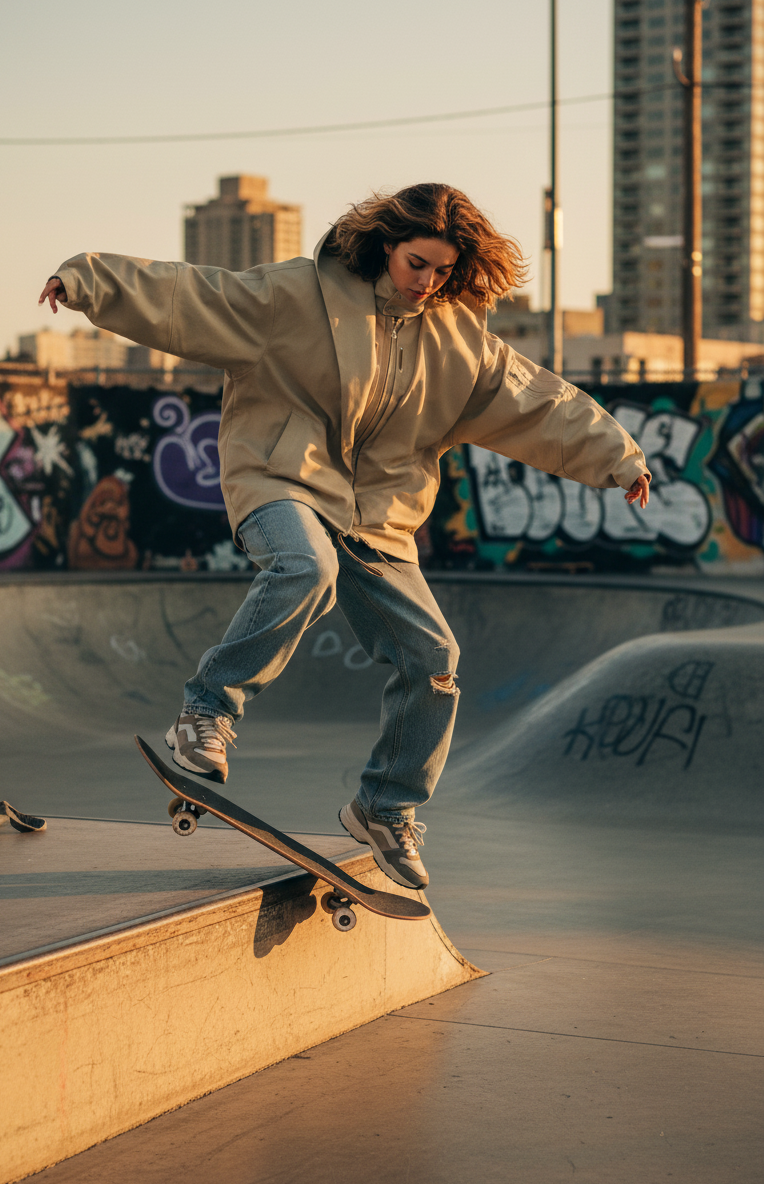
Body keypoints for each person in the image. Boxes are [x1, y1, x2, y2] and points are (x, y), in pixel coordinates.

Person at [39, 182, 650, 891]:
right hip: (281, 480)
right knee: (307, 567)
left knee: (435, 658)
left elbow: (538, 403)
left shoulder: (460, 344)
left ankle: (385, 807)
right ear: (386, 246)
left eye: (443, 271)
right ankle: (205, 712)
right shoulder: (296, 296)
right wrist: (88, 281)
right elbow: (193, 296)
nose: (427, 282)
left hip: (379, 518)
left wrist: (619, 457)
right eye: (416, 264)